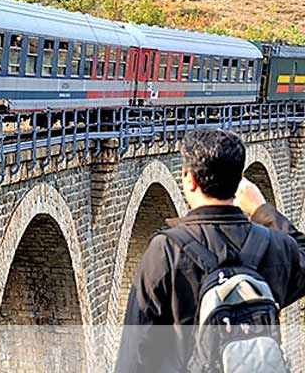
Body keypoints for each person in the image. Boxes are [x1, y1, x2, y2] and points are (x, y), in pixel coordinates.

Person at [116, 129, 305, 373]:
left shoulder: (166, 250)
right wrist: (261, 209)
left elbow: (134, 354)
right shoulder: (275, 247)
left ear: (190, 180)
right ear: (239, 183)